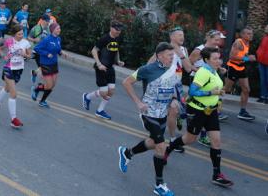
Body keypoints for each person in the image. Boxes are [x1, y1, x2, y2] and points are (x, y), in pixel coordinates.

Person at [165, 47, 234, 188]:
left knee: (216, 142)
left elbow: (217, 90)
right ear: (207, 60)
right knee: (190, 139)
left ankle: (217, 175)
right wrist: (211, 93)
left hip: (211, 111)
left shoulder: (214, 71)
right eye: (215, 58)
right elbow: (192, 91)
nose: (218, 60)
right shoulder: (203, 72)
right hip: (197, 111)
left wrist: (218, 100)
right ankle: (168, 149)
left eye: (219, 58)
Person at [118, 42, 180, 196]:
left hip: (162, 114)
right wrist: (138, 102)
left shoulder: (172, 69)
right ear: (159, 56)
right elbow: (126, 82)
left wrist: (173, 98)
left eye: (173, 55)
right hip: (149, 113)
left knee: (153, 142)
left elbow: (170, 86)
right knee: (161, 146)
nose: (172, 57)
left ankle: (127, 153)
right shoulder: (148, 69)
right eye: (169, 55)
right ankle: (159, 184)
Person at [189, 30, 227, 145]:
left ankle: (203, 136)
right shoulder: (198, 50)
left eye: (219, 39)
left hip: (211, 79)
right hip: (197, 79)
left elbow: (214, 63)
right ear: (209, 38)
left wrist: (219, 69)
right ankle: (182, 115)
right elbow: (188, 64)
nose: (218, 41)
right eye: (216, 39)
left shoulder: (215, 50)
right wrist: (201, 71)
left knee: (210, 108)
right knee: (196, 106)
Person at [82, 21, 125, 120]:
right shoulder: (104, 39)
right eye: (117, 29)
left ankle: (100, 110)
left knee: (111, 91)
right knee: (104, 93)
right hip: (101, 68)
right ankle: (87, 97)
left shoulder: (118, 38)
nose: (118, 31)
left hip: (110, 68)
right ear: (111, 28)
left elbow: (116, 49)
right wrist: (99, 64)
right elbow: (94, 50)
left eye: (120, 30)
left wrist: (118, 60)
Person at [0, 25, 32, 128]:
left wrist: (25, 55)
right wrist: (3, 56)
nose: (21, 35)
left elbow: (29, 56)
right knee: (13, 94)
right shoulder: (9, 41)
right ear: (14, 34)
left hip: (19, 69)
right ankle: (13, 119)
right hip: (9, 68)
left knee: (7, 88)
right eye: (19, 34)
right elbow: (0, 49)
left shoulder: (26, 43)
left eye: (22, 33)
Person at [224, 26, 256, 121]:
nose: (251, 35)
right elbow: (232, 56)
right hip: (233, 67)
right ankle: (213, 109)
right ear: (242, 35)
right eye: (248, 34)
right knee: (226, 89)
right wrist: (247, 58)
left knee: (246, 89)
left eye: (251, 34)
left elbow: (241, 55)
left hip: (241, 68)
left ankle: (242, 111)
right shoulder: (238, 42)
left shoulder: (247, 43)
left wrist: (247, 57)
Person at [32, 23, 67, 108]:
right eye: (58, 29)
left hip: (54, 63)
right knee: (49, 85)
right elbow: (36, 48)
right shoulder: (46, 39)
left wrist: (62, 53)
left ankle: (38, 92)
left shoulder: (58, 39)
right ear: (53, 30)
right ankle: (41, 98)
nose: (59, 30)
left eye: (59, 28)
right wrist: (46, 54)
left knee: (53, 85)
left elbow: (58, 49)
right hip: (45, 64)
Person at [27, 15, 50, 84]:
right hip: (37, 50)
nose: (48, 22)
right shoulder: (35, 28)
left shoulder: (48, 29)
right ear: (42, 20)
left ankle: (35, 73)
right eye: (47, 21)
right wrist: (34, 40)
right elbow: (28, 37)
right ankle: (41, 84)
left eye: (48, 21)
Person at [255, 24, 268, 104]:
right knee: (263, 80)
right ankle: (263, 96)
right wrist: (258, 54)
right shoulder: (265, 38)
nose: (266, 28)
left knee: (266, 80)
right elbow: (261, 48)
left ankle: (266, 97)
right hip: (261, 62)